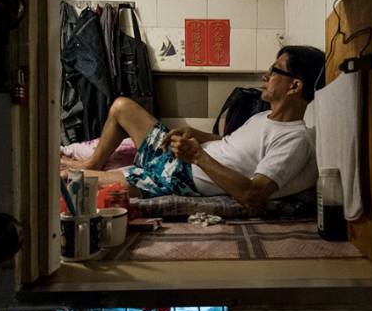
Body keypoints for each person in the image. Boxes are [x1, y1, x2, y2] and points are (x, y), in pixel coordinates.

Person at [61, 45, 324, 209]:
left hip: (182, 177)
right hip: (179, 156)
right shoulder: (262, 117)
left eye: (275, 71)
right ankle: (93, 162)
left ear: (295, 86)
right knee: (122, 107)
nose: (266, 76)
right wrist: (196, 135)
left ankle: (86, 171)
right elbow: (229, 144)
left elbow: (252, 195)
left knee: (71, 179)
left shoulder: (294, 139)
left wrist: (198, 156)